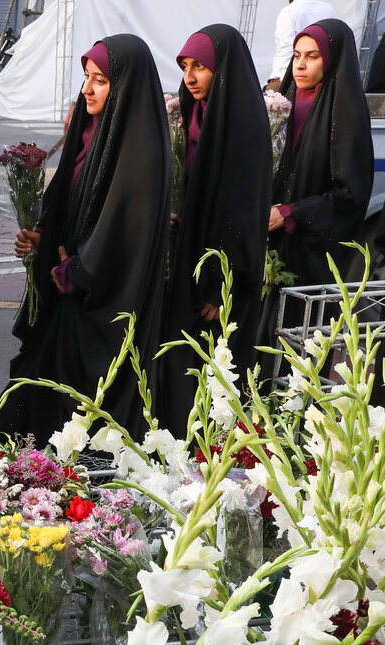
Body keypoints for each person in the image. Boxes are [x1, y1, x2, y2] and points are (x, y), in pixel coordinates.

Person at [0, 36, 172, 446]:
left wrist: (76, 270)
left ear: (125, 86)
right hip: (68, 298)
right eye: (86, 77)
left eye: (100, 80)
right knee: (42, 404)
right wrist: (41, 236)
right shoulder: (89, 133)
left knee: (79, 417)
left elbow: (125, 233)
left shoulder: (140, 148)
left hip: (102, 309)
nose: (87, 89)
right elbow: (67, 199)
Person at [156, 25, 271, 433]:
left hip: (221, 283)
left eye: (200, 67)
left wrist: (223, 288)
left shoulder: (244, 127)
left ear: (223, 70)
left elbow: (240, 216)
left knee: (211, 378)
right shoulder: (195, 113)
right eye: (185, 66)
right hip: (190, 261)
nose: (189, 77)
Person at [263, 19, 371, 341]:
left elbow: (350, 195)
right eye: (296, 55)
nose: (300, 65)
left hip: (310, 258)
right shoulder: (282, 104)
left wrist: (290, 213)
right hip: (268, 249)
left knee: (296, 351)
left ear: (332, 58)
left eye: (312, 56)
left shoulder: (346, 113)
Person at [269, 0, 335, 86]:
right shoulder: (327, 9)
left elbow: (285, 50)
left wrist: (285, 81)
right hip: (319, 80)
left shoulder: (289, 11)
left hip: (287, 79)